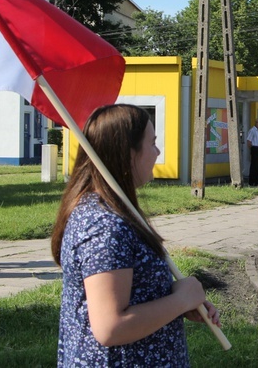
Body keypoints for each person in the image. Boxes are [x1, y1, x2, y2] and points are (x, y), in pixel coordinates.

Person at [51, 104, 220, 366]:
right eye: (152, 142)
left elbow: (131, 294)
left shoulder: (112, 211)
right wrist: (180, 300)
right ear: (128, 153)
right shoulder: (104, 224)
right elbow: (111, 326)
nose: (157, 151)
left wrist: (173, 301)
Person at [246, 118, 258, 186]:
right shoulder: (253, 130)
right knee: (254, 165)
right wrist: (252, 149)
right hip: (255, 148)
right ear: (256, 123)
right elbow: (249, 141)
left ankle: (257, 181)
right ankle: (252, 181)